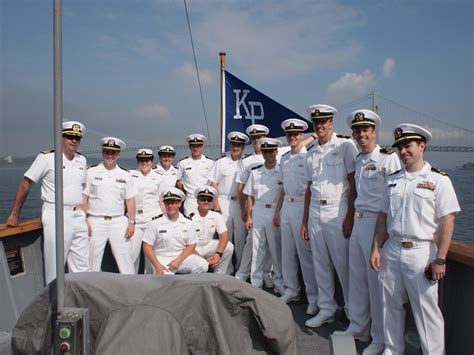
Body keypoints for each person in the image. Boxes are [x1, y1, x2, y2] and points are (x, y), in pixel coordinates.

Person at [370, 124, 460, 355]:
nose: (403, 151)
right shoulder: (392, 179)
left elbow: (447, 222)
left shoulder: (439, 180)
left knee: (426, 311)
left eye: (408, 145)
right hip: (391, 248)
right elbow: (382, 217)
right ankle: (392, 350)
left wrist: (440, 259)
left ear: (422, 146)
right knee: (389, 306)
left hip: (421, 252)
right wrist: (376, 248)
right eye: (399, 147)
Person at [332, 110, 400, 354]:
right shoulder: (359, 159)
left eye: (365, 130)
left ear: (374, 132)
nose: (361, 134)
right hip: (359, 222)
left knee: (376, 285)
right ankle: (358, 326)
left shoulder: (387, 158)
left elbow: (394, 197)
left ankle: (380, 338)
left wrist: (385, 234)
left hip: (376, 225)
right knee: (357, 280)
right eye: (357, 130)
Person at [6, 121, 90, 284]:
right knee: (56, 267)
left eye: (77, 138)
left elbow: (83, 189)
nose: (74, 140)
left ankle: (81, 304)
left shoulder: (82, 160)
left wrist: (84, 215)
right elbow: (25, 184)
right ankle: (54, 307)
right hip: (56, 215)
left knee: (83, 267)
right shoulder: (46, 158)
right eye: (70, 136)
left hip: (78, 216)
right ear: (61, 137)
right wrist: (15, 214)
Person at [301, 104, 358, 328]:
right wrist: (305, 220)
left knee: (343, 265)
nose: (320, 125)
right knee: (320, 264)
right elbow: (309, 187)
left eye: (323, 121)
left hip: (338, 209)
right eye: (316, 122)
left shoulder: (345, 146)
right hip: (315, 210)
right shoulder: (311, 151)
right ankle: (327, 309)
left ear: (331, 123)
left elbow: (353, 183)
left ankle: (355, 315)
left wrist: (349, 217)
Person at [273, 119, 319, 316]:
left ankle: (313, 297)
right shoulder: (284, 159)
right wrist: (278, 211)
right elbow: (282, 187)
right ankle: (292, 290)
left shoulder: (308, 157)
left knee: (305, 255)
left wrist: (306, 219)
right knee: (287, 252)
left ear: (302, 136)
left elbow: (310, 188)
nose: (292, 137)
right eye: (289, 134)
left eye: (296, 134)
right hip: (287, 207)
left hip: (302, 205)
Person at [83, 137, 137, 274]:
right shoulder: (91, 172)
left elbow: (130, 201)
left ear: (118, 155)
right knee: (91, 262)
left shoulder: (125, 175)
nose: (110, 155)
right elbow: (84, 197)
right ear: (102, 153)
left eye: (113, 152)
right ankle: (90, 292)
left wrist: (131, 222)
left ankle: (129, 292)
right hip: (95, 221)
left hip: (118, 221)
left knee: (125, 262)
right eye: (107, 152)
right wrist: (84, 221)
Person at [244, 138, 285, 293]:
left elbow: (284, 192)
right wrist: (249, 216)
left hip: (275, 211)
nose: (268, 155)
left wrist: (278, 213)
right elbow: (249, 196)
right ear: (262, 153)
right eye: (265, 152)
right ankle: (256, 282)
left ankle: (279, 282)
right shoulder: (255, 173)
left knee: (276, 250)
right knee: (257, 248)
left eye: (271, 152)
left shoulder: (282, 171)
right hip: (259, 211)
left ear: (276, 152)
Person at [142, 187, 208, 275]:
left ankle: (186, 285)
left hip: (181, 257)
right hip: (161, 258)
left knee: (203, 265)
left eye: (173, 203)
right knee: (166, 278)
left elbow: (191, 245)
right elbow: (147, 246)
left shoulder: (188, 222)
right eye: (167, 203)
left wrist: (178, 261)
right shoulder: (155, 222)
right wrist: (157, 264)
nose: (170, 206)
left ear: (179, 204)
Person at [208, 131, 248, 274]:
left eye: (239, 145)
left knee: (241, 237)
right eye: (234, 144)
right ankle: (228, 268)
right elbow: (214, 184)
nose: (236, 147)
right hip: (224, 202)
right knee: (225, 237)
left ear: (243, 147)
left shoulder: (246, 162)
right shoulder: (221, 162)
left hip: (240, 204)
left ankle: (240, 269)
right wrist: (215, 203)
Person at [129, 148, 165, 273]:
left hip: (153, 219)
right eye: (141, 160)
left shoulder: (159, 177)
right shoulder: (130, 175)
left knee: (151, 256)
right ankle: (130, 282)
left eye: (147, 160)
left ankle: (150, 283)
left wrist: (165, 220)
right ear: (138, 161)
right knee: (132, 255)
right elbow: (128, 199)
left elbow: (162, 199)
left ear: (152, 161)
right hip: (136, 221)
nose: (144, 163)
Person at [188, 186, 234, 274]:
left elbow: (224, 235)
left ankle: (219, 275)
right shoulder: (190, 217)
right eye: (203, 199)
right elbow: (186, 243)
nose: (206, 202)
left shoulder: (216, 215)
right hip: (193, 249)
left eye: (209, 199)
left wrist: (218, 254)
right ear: (197, 201)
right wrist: (203, 261)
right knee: (199, 268)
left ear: (212, 202)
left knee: (229, 246)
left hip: (207, 246)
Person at [176, 134, 214, 215]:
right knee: (190, 225)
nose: (195, 148)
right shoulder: (183, 163)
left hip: (206, 200)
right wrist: (183, 190)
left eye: (198, 146)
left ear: (202, 146)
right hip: (190, 201)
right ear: (190, 147)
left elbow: (214, 181)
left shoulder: (210, 163)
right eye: (193, 146)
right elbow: (177, 180)